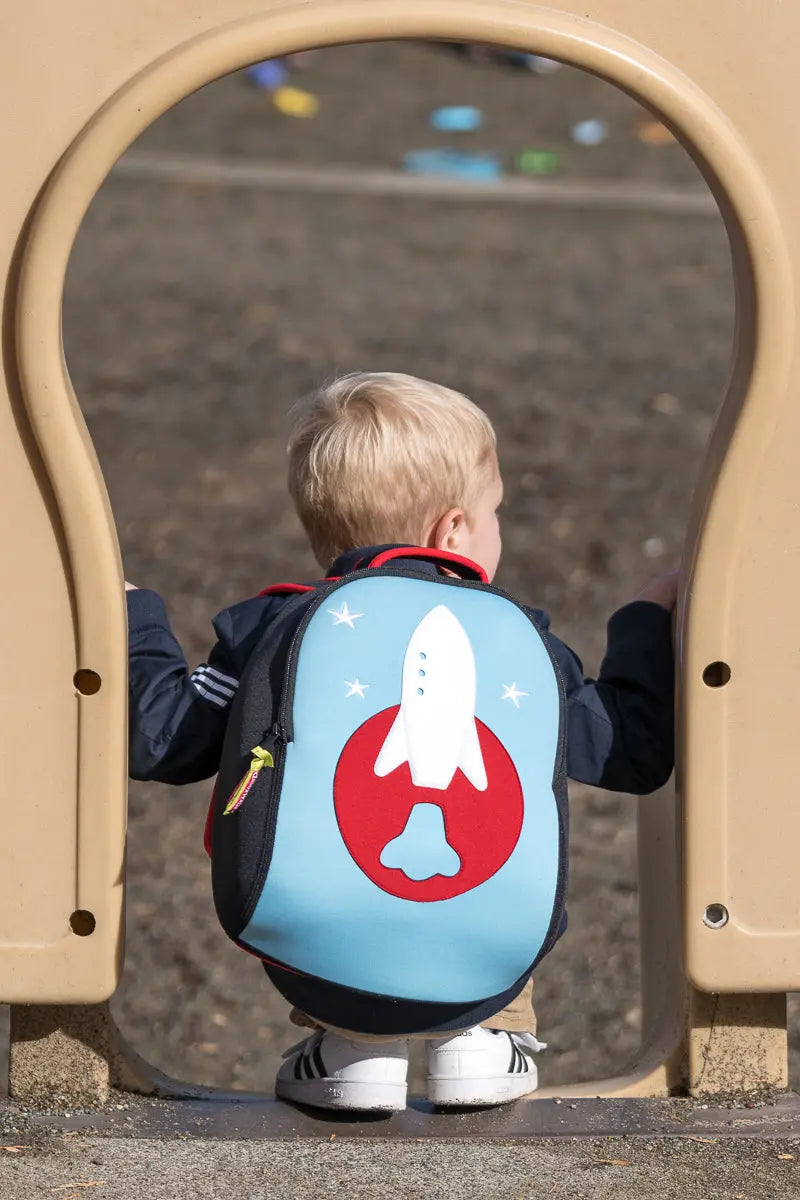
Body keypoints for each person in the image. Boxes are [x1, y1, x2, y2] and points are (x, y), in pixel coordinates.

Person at [126, 371, 676, 1111]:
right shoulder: (520, 643)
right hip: (491, 964)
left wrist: (136, 619)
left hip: (314, 957)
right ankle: (483, 1039)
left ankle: (351, 1050)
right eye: (496, 512)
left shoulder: (270, 629)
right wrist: (644, 619)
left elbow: (164, 739)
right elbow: (629, 752)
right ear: (454, 531)